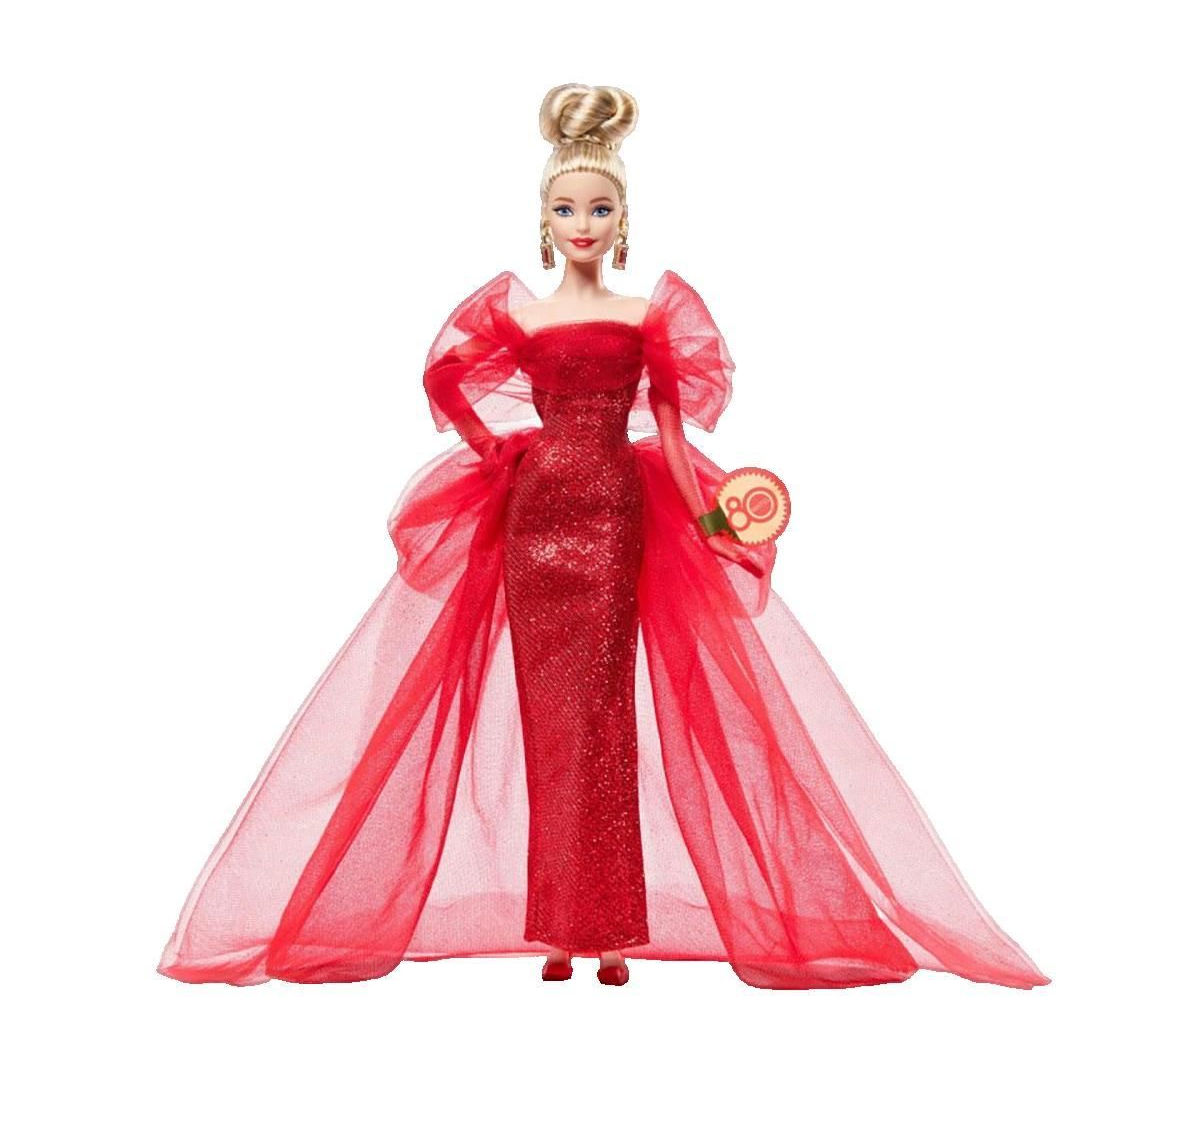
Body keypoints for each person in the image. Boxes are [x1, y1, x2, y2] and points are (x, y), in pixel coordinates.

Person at [158, 83, 1049, 992]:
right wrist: (497, 453)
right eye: (565, 209)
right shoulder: (522, 317)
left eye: (598, 208)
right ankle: (557, 930)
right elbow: (446, 376)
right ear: (542, 221)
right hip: (535, 518)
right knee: (549, 725)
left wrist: (714, 522)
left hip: (617, 519)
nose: (581, 223)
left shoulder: (645, 319)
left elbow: (672, 436)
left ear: (624, 219)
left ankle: (612, 931)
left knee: (607, 719)